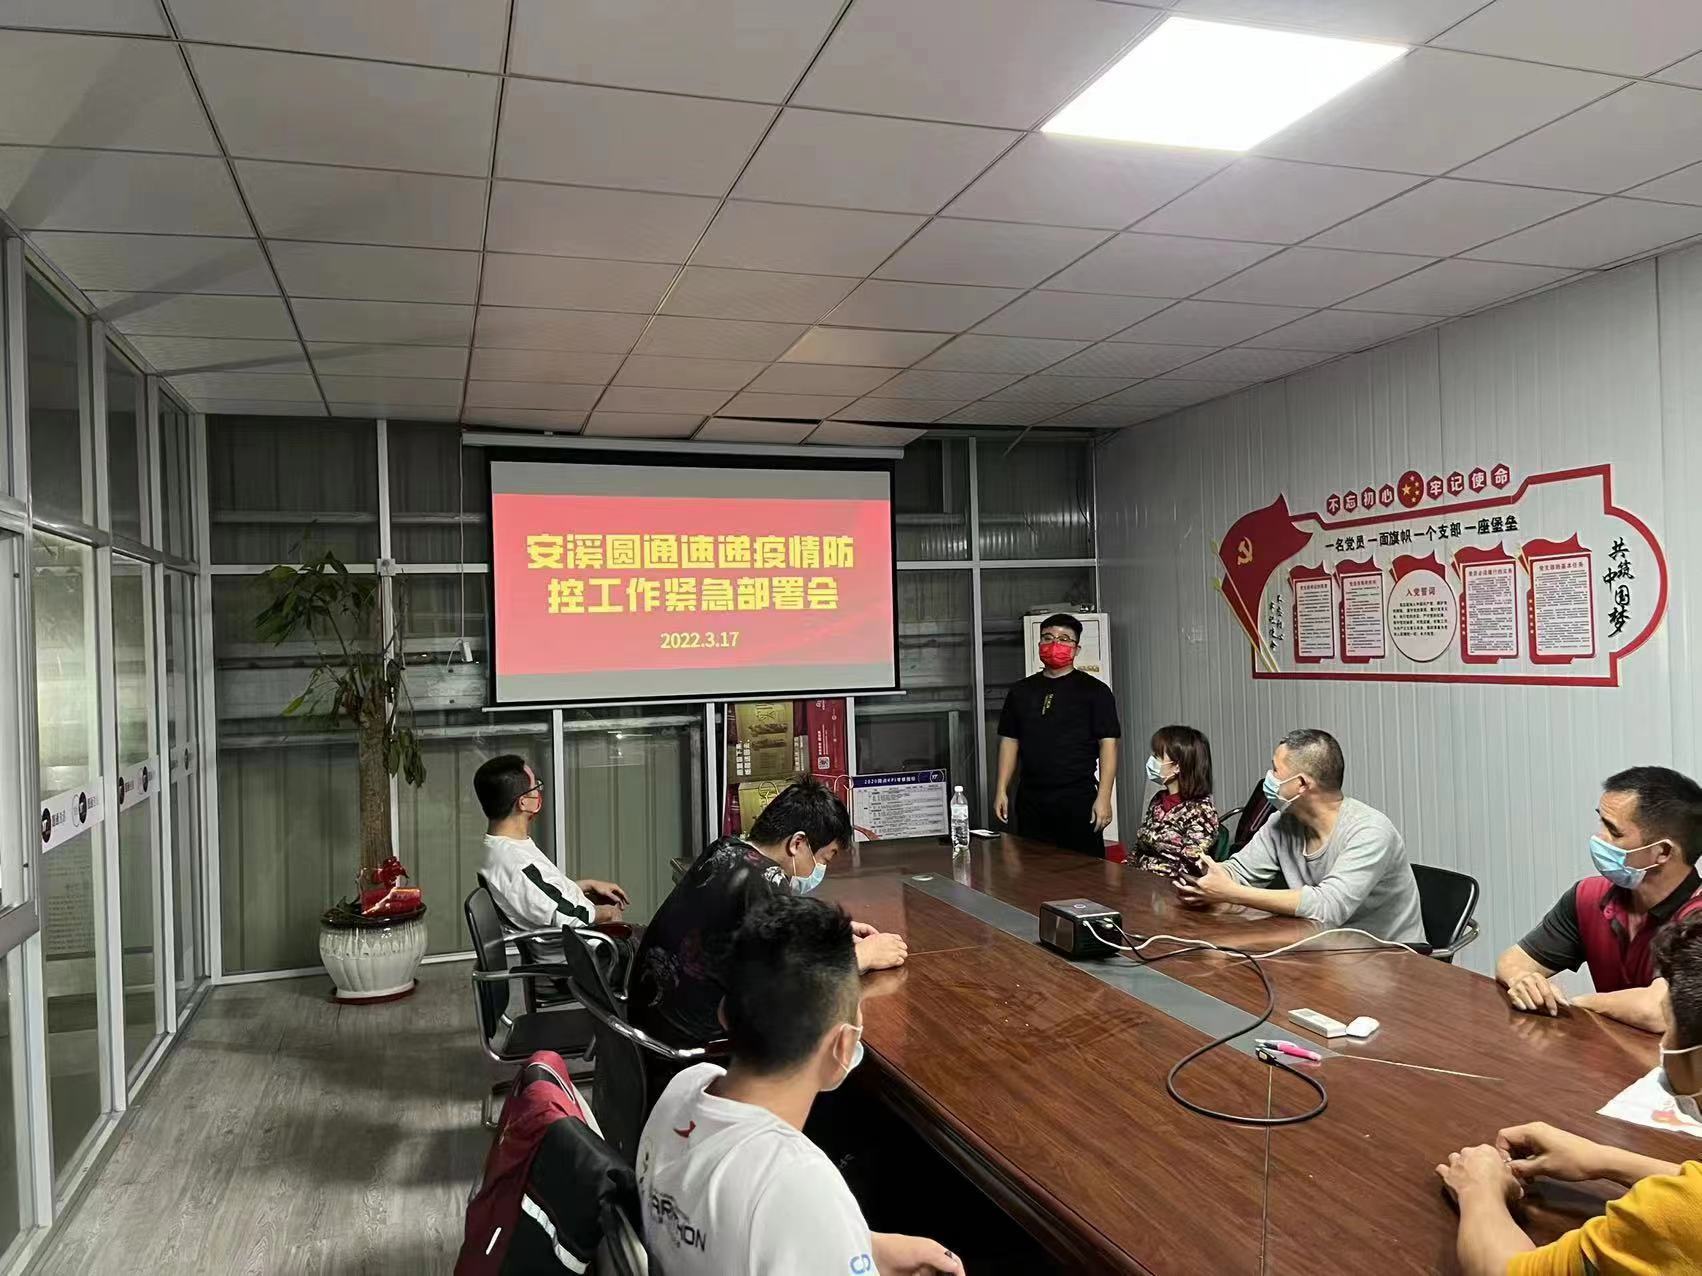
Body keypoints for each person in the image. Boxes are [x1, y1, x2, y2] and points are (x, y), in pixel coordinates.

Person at [638, 894, 964, 1276]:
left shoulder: (683, 1088)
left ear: (725, 1013)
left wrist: (861, 1244)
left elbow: (747, 1233)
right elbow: (785, 1214)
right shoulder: (797, 1181)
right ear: (844, 1046)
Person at [1435, 913, 1702, 1274]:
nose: (1663, 1042)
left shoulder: (1673, 1218)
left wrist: (1478, 1189)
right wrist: (1605, 1160)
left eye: (1668, 1026)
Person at [631, 778, 907, 1047]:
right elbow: (791, 987)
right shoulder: (764, 878)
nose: (821, 868)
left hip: (650, 1021)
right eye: (825, 857)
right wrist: (862, 955)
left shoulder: (727, 849)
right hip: (692, 1044)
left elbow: (762, 928)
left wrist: (827, 929)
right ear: (797, 843)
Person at [1496, 765, 1702, 1032]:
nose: (1599, 838)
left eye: (1614, 832)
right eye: (1601, 822)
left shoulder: (1696, 919)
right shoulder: (1588, 897)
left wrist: (1573, 1004)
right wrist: (1523, 980)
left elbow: (1660, 1011)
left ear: (1662, 852)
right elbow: (1513, 960)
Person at [1175, 728, 1425, 945]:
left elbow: (1327, 908)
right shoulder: (1282, 822)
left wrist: (1231, 893)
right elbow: (1240, 872)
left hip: (1392, 959)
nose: (1268, 777)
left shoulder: (1370, 831)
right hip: (1323, 947)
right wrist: (1210, 875)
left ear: (1302, 784)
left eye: (1275, 770)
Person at [993, 613, 1122, 856]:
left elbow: (1109, 745)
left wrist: (1104, 797)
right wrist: (1001, 789)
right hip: (1031, 797)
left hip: (1077, 796)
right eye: (1048, 637)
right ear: (1039, 644)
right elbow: (1009, 740)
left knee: (1084, 868)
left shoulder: (1095, 691)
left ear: (1076, 649)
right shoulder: (1021, 691)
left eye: (1064, 639)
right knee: (1032, 866)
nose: (1055, 644)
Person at [475, 754, 630, 931]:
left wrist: (586, 885)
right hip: (581, 943)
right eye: (536, 787)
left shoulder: (507, 846)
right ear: (523, 803)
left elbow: (541, 894)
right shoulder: (515, 862)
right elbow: (567, 916)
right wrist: (608, 913)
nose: (539, 792)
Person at [1132, 725, 1222, 874]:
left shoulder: (1201, 812)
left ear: (1177, 766)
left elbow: (1191, 866)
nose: (1152, 761)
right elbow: (1138, 849)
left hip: (1170, 885)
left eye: (1158, 756)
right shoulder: (1158, 800)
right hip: (1140, 880)